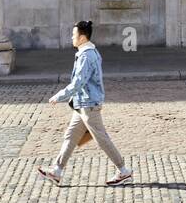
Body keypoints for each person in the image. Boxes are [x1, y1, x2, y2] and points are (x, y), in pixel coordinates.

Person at [37, 21, 133, 187]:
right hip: (83, 104)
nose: (72, 38)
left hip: (89, 105)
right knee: (71, 135)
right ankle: (57, 171)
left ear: (82, 37)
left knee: (102, 139)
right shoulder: (90, 52)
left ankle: (123, 171)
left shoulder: (86, 56)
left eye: (74, 35)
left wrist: (58, 96)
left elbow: (77, 83)